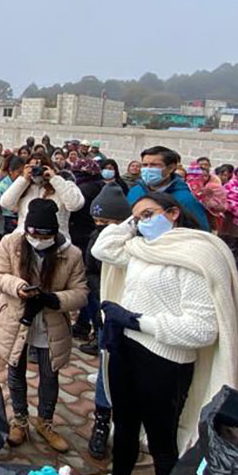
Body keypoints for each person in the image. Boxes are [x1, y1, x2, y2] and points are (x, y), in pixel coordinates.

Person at [93, 191, 238, 475]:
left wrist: (139, 322)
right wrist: (131, 223)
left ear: (173, 213)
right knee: (124, 426)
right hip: (126, 351)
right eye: (137, 218)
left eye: (149, 215)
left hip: (164, 361)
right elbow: (103, 247)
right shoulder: (143, 249)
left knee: (163, 442)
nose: (141, 223)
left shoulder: (196, 256)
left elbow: (203, 329)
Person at [0, 198, 88, 451]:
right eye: (33, 232)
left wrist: (53, 299)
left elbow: (81, 292)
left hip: (50, 324)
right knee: (15, 372)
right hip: (15, 319)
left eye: (45, 234)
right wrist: (18, 287)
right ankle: (19, 420)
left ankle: (45, 422)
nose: (38, 238)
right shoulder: (11, 243)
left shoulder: (71, 254)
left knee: (49, 375)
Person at [84, 184, 133, 457]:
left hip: (134, 316)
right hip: (106, 312)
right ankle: (101, 421)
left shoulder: (134, 245)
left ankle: (127, 424)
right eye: (98, 222)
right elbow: (91, 268)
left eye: (108, 223)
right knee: (106, 369)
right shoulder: (97, 240)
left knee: (129, 375)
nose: (101, 227)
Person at [126, 146, 210, 232]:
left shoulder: (185, 200)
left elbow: (201, 233)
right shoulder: (135, 191)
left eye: (154, 165)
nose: (148, 169)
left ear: (170, 168)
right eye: (144, 165)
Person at [0, 156, 85, 234]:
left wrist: (54, 179)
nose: (36, 171)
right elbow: (5, 203)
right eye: (32, 167)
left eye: (40, 167)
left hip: (54, 239)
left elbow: (75, 205)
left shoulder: (63, 185)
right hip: (25, 239)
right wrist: (23, 179)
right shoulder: (25, 187)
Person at [184, 163, 227, 232]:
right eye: (200, 176)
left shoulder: (214, 186)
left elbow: (221, 204)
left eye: (205, 176)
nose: (202, 178)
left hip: (211, 217)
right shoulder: (190, 186)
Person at [0, 156, 23, 240]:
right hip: (9, 218)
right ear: (11, 171)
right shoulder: (2, 186)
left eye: (22, 173)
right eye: (19, 172)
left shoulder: (23, 183)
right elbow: (7, 205)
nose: (21, 175)